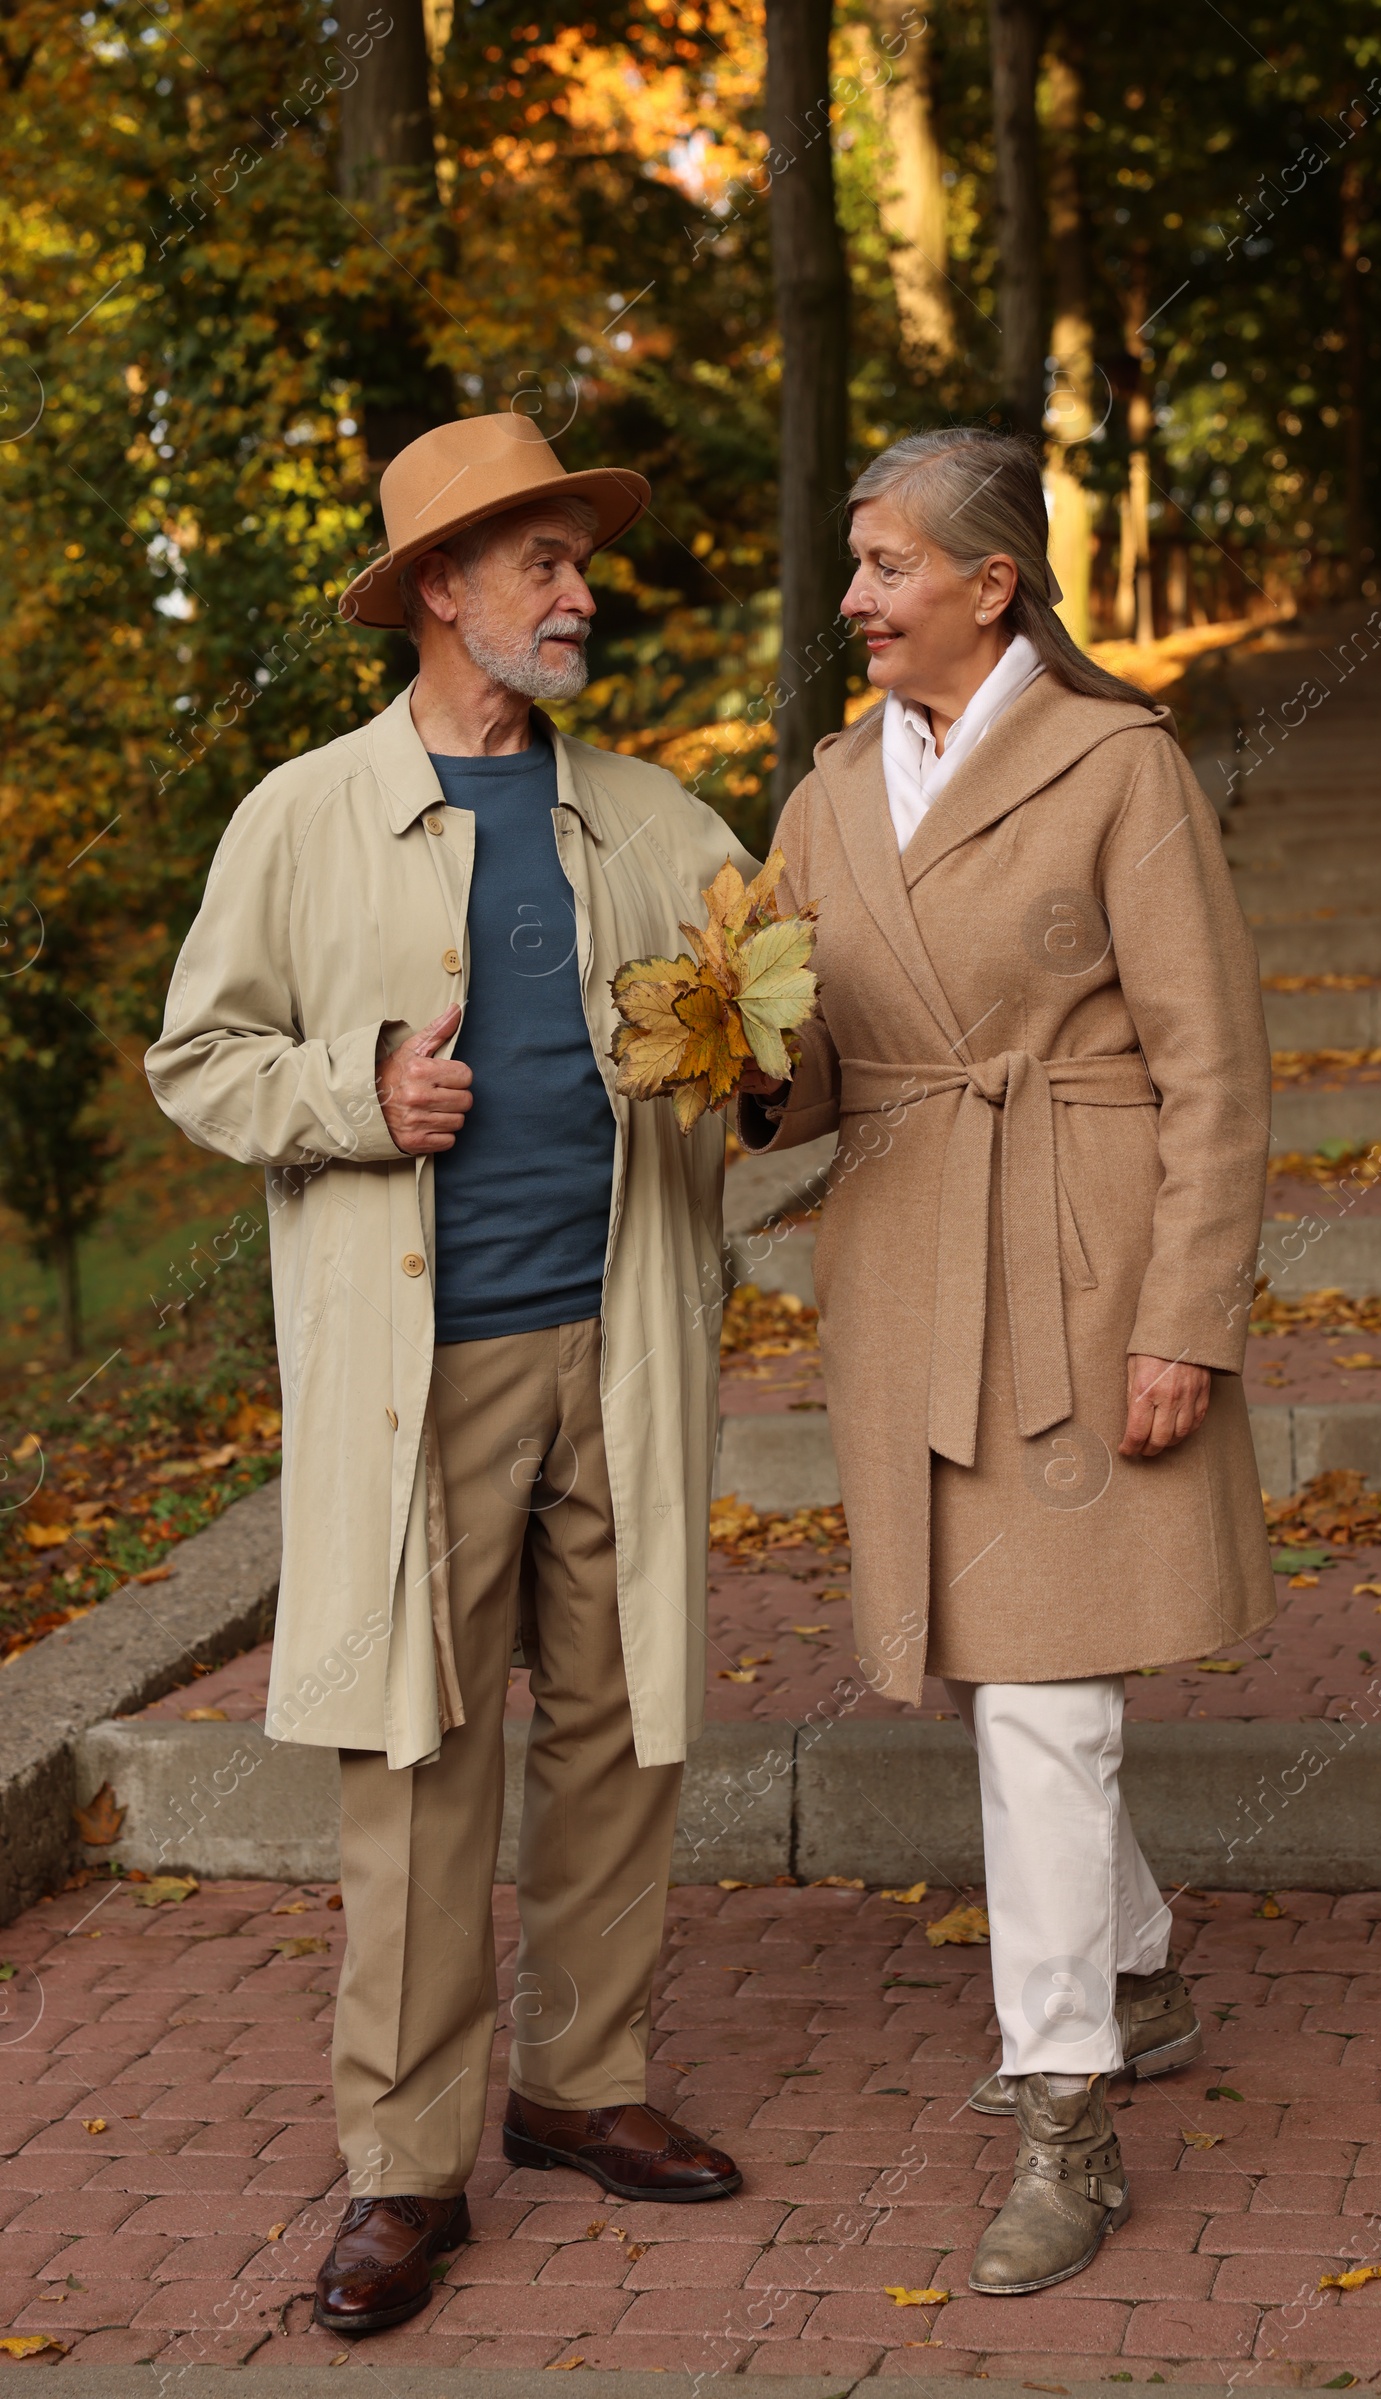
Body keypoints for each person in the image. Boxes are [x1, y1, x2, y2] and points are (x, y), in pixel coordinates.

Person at [147, 412, 765, 2338]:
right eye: (542, 565)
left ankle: (582, 2085)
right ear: (440, 589)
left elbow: (786, 1034)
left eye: (581, 563)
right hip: (422, 1371)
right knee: (415, 1765)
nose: (579, 595)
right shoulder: (300, 815)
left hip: (629, 1341)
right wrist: (357, 1094)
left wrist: (762, 1064)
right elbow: (199, 1059)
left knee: (616, 1730)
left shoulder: (662, 820)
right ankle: (403, 2170)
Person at [739, 427, 1276, 2297]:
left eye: (887, 567)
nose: (855, 599)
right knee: (995, 1676)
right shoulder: (823, 792)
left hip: (1076, 1255)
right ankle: (1134, 1965)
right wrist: (728, 1053)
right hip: (905, 1264)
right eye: (855, 562)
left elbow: (1214, 1059)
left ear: (991, 586)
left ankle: (1070, 2113)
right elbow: (804, 1064)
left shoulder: (1116, 763)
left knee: (1047, 1694)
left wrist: (1184, 1317)